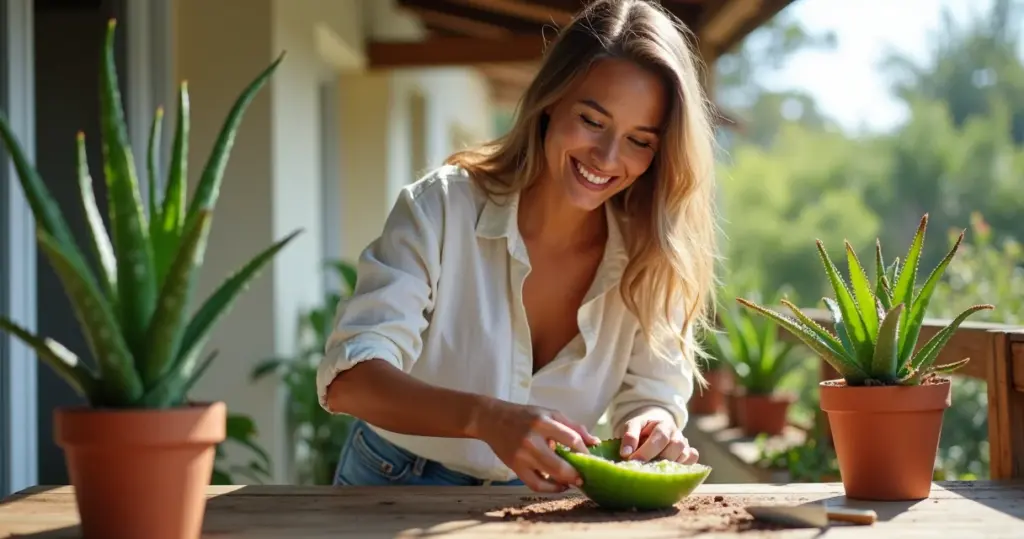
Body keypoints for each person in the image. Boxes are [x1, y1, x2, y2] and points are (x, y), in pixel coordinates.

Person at [316, 0, 719, 493]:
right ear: (550, 100)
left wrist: (652, 424)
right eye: (592, 121)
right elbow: (350, 381)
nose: (607, 157)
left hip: (538, 493)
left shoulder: (653, 253)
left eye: (640, 140)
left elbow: (652, 393)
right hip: (393, 479)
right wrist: (485, 418)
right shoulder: (442, 206)